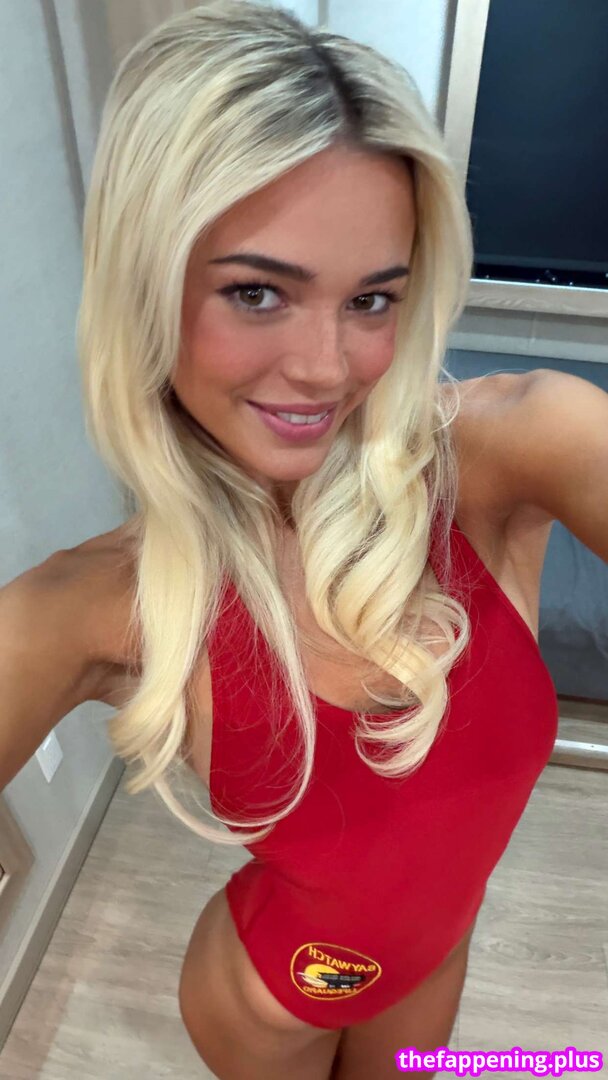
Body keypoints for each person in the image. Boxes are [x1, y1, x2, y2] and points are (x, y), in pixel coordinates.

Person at [2, 2, 607, 1078]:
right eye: (256, 292)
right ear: (145, 287)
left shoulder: (512, 450)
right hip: (268, 996)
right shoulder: (89, 606)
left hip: (438, 950)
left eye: (371, 299)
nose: (328, 369)